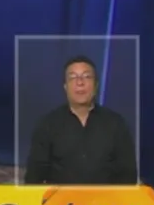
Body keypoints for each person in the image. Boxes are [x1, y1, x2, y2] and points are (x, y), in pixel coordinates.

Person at [23, 54, 137, 185]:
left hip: (105, 197)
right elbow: (34, 177)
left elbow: (128, 174)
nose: (80, 83)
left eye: (86, 77)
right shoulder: (47, 125)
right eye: (73, 77)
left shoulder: (116, 123)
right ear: (65, 87)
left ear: (96, 85)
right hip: (61, 197)